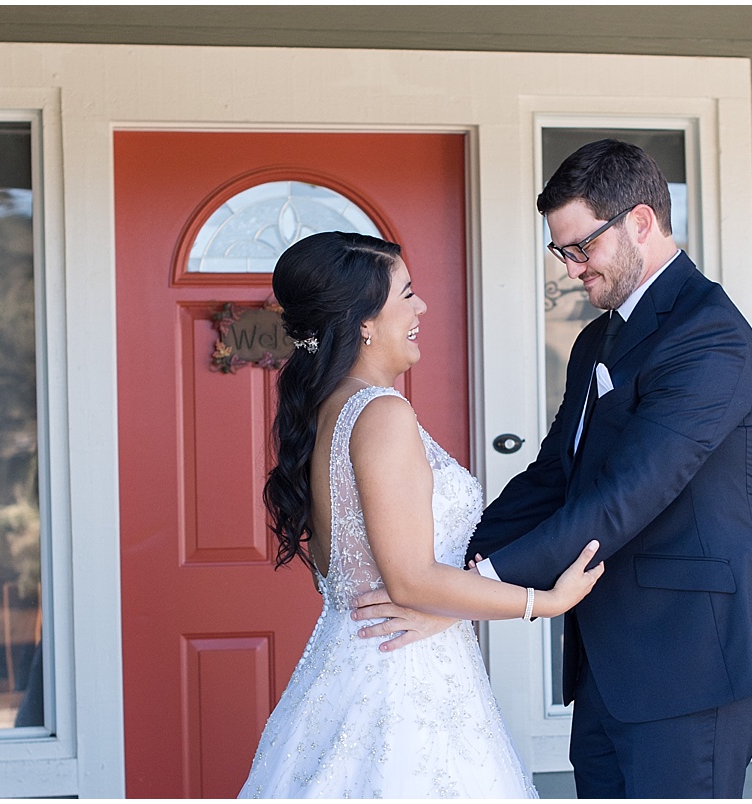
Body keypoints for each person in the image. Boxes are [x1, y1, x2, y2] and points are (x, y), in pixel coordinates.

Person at [357, 139, 752, 798]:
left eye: (581, 248)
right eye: (562, 252)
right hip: (608, 656)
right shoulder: (596, 338)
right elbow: (554, 476)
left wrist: (470, 593)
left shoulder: (709, 337)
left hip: (690, 656)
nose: (570, 269)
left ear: (640, 222)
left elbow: (625, 497)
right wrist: (450, 574)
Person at [238, 231, 605, 799]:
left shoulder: (328, 409)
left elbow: (350, 573)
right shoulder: (381, 414)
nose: (422, 307)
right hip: (400, 676)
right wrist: (545, 603)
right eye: (407, 294)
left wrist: (445, 610)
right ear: (364, 322)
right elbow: (409, 580)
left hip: (361, 661)